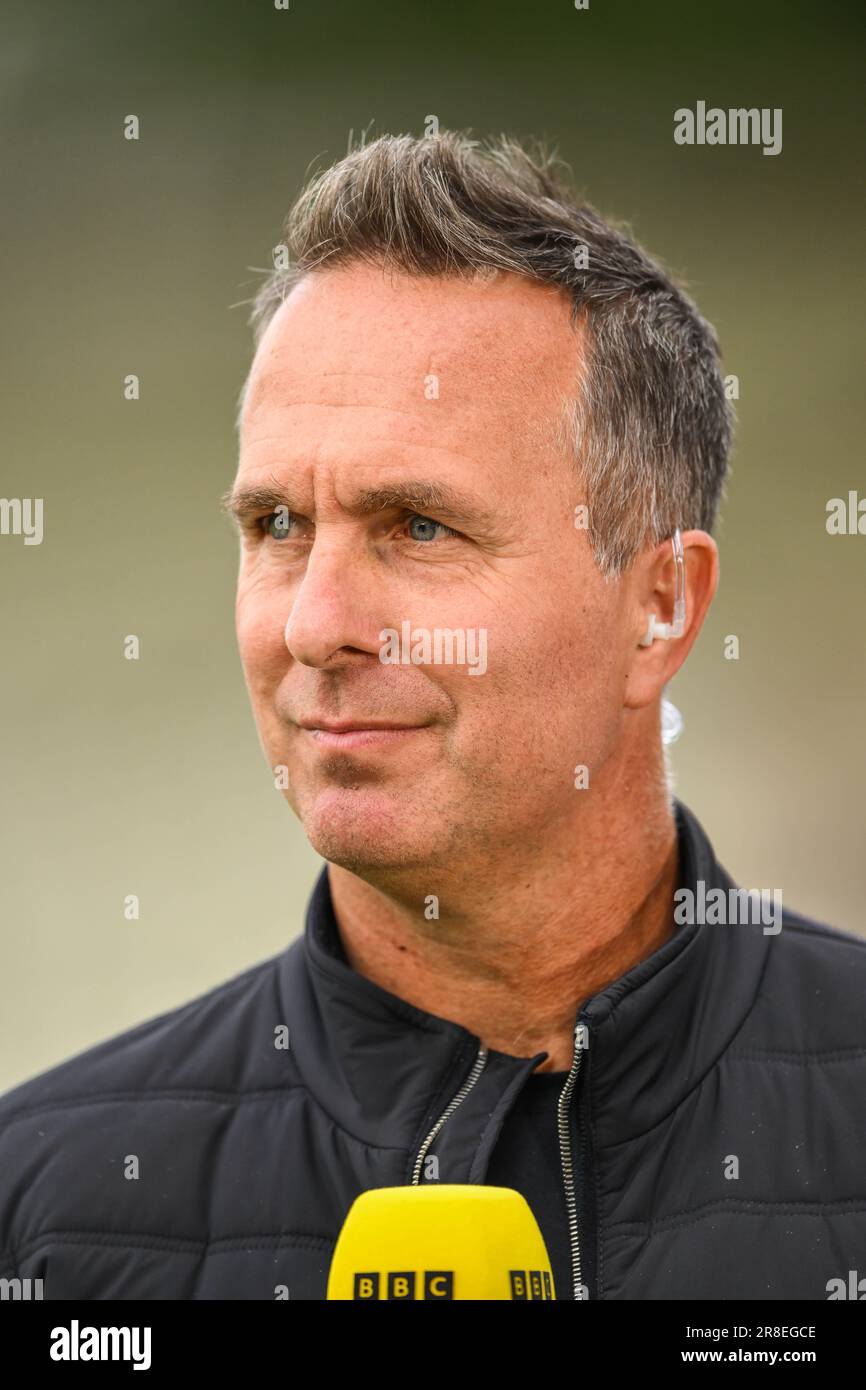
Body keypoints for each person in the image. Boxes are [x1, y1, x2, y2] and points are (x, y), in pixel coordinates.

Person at [1, 132, 863, 1301]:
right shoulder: (47, 1209)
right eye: (275, 528)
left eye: (417, 527)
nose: (314, 625)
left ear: (657, 607)